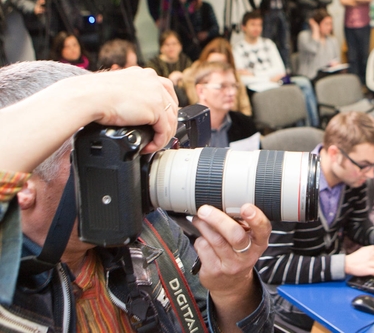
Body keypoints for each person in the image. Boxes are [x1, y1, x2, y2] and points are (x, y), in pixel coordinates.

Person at [0, 62, 274, 331]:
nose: (126, 165)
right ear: (21, 180)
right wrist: (85, 96)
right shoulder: (9, 290)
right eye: (99, 148)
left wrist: (233, 291)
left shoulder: (148, 226)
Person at [256, 111, 374, 330]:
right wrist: (345, 264)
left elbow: (357, 225)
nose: (370, 174)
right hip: (287, 294)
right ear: (334, 153)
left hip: (330, 280)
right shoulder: (286, 185)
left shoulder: (354, 179)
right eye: (363, 165)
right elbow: (271, 267)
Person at [233, 10, 320, 127]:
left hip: (277, 82)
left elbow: (280, 70)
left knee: (304, 84)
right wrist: (268, 78)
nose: (257, 28)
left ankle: (312, 126)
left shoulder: (268, 44)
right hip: (259, 88)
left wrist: (253, 74)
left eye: (259, 25)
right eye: (253, 24)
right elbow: (242, 79)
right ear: (244, 27)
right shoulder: (237, 49)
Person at [193, 61, 258, 148]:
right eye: (222, 86)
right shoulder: (185, 129)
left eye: (233, 86)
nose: (231, 92)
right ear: (201, 91)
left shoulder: (245, 124)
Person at [184, 38, 252, 116]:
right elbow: (196, 103)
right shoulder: (191, 76)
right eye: (212, 64)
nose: (216, 67)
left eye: (221, 64)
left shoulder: (235, 77)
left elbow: (246, 109)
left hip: (234, 121)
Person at [339, 0, 374, 85]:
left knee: (364, 56)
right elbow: (343, 0)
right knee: (352, 57)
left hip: (364, 25)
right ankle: (354, 84)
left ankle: (365, 84)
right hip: (349, 25)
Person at [146, 30, 192, 107]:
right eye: (167, 44)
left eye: (174, 44)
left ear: (180, 46)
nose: (171, 47)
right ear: (161, 48)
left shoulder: (185, 60)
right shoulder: (153, 63)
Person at [296, 8, 341, 80]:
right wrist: (315, 30)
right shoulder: (303, 36)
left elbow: (337, 59)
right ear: (317, 23)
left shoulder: (332, 40)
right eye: (326, 24)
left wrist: (335, 64)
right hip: (309, 77)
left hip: (327, 76)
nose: (329, 27)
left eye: (331, 24)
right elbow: (313, 49)